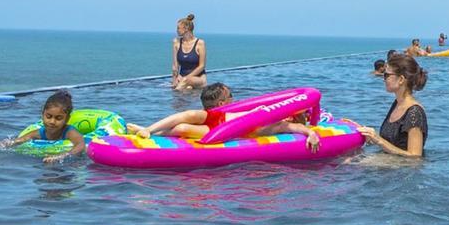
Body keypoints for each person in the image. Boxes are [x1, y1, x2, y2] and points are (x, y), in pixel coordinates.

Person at [127, 83, 320, 149]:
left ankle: (153, 135)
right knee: (187, 114)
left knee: (182, 128)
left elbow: (293, 128)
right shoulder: (271, 110)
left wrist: (310, 133)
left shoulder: (275, 123)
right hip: (219, 117)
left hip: (221, 130)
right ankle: (147, 129)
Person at [0, 90, 85, 163]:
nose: (52, 121)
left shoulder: (69, 132)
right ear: (42, 114)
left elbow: (80, 145)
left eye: (58, 118)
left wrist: (63, 155)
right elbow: (11, 142)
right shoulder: (38, 133)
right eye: (48, 116)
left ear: (67, 119)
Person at [357, 54, 428, 158]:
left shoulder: (414, 112)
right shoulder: (397, 104)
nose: (383, 79)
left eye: (386, 75)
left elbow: (415, 158)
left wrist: (378, 140)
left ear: (401, 80)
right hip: (390, 165)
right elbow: (391, 144)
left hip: (403, 171)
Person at [171, 14, 207, 91]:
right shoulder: (176, 42)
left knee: (185, 82)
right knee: (187, 88)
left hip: (199, 78)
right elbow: (175, 65)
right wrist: (174, 80)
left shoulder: (200, 43)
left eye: (178, 28)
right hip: (182, 77)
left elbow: (202, 66)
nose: (177, 30)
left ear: (186, 28)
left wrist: (186, 78)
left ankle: (173, 99)